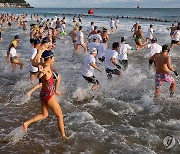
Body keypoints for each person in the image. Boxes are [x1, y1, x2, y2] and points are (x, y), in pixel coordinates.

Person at [23, 50, 67, 140]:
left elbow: (34, 63)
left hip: (43, 94)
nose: (54, 59)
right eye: (53, 57)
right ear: (49, 58)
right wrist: (40, 72)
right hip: (49, 95)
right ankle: (63, 137)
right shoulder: (46, 67)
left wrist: (35, 60)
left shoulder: (43, 64)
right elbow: (39, 76)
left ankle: (27, 123)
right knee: (60, 116)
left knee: (44, 115)